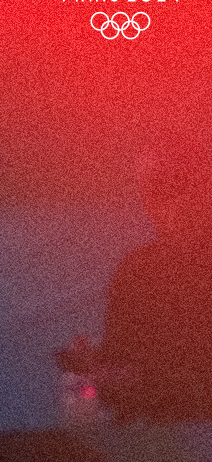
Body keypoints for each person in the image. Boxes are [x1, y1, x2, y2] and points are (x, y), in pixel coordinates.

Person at [60, 133, 212, 422]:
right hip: (160, 439)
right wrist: (96, 367)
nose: (165, 204)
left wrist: (142, 376)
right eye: (153, 193)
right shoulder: (136, 271)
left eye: (178, 186)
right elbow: (121, 358)